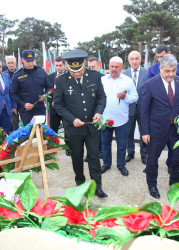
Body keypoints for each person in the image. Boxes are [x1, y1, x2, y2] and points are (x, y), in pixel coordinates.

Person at [53, 49, 107, 198]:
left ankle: (97, 186)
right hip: (73, 128)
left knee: (94, 157)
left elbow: (102, 98)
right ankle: (80, 183)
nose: (77, 74)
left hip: (92, 126)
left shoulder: (95, 76)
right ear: (68, 67)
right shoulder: (61, 80)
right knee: (77, 157)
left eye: (79, 71)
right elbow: (58, 104)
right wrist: (71, 119)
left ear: (84, 65)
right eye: (73, 71)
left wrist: (98, 112)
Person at [140, 54, 179, 199]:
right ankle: (152, 185)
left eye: (173, 71)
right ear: (160, 69)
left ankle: (174, 185)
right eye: (167, 71)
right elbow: (144, 110)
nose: (171, 74)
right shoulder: (150, 84)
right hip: (156, 129)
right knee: (152, 159)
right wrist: (145, 131)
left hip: (177, 130)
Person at [100, 56, 138, 176]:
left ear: (122, 67)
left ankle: (121, 165)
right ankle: (106, 163)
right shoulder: (102, 80)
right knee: (105, 143)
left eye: (117, 67)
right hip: (105, 119)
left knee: (122, 144)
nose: (114, 69)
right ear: (109, 66)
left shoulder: (127, 80)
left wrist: (125, 97)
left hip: (121, 119)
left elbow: (135, 97)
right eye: (112, 66)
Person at [10, 49, 52, 125]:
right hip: (26, 111)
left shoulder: (41, 72)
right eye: (28, 61)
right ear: (22, 60)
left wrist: (45, 95)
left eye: (32, 61)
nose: (31, 63)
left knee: (40, 131)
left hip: (40, 109)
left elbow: (49, 87)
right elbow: (13, 94)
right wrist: (23, 104)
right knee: (29, 133)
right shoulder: (17, 75)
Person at [123, 51, 148, 165]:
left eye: (136, 58)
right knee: (129, 132)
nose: (134, 61)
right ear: (129, 61)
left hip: (143, 108)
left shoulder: (147, 73)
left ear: (141, 60)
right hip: (129, 108)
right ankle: (130, 152)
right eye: (132, 59)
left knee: (144, 131)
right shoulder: (124, 74)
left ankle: (144, 154)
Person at [48, 56, 71, 156]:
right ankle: (53, 148)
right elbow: (47, 91)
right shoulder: (50, 77)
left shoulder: (69, 76)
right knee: (53, 129)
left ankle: (68, 147)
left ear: (64, 65)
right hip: (54, 109)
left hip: (66, 108)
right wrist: (51, 100)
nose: (58, 67)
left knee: (67, 128)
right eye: (56, 65)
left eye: (60, 65)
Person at [84, 57, 104, 161]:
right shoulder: (85, 77)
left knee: (99, 132)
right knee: (88, 133)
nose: (91, 69)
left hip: (100, 109)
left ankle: (100, 151)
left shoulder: (103, 77)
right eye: (89, 67)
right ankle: (90, 153)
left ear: (98, 66)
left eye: (93, 66)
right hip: (89, 110)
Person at [4, 56, 20, 132]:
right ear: (6, 64)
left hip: (21, 101)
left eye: (12, 63)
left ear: (15, 63)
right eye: (9, 63)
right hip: (10, 103)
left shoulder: (20, 72)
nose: (10, 64)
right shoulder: (3, 75)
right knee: (14, 123)